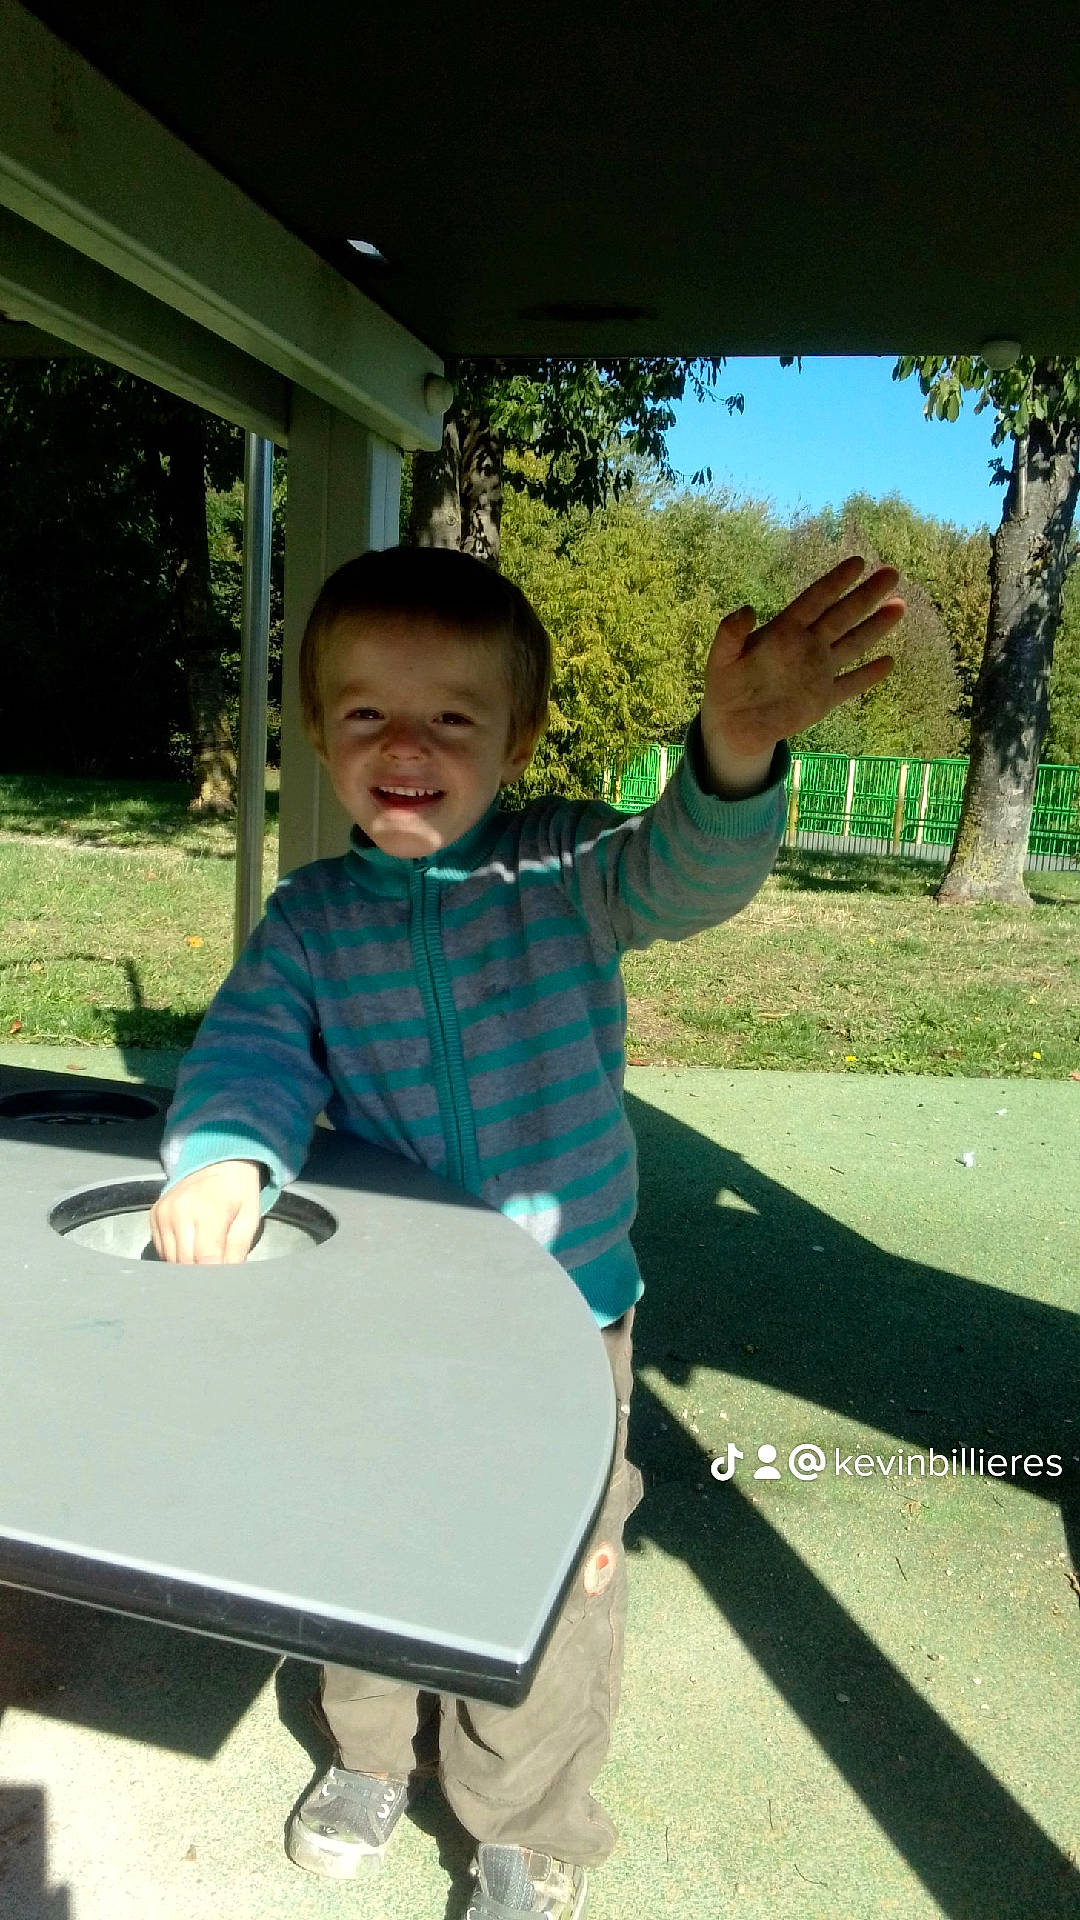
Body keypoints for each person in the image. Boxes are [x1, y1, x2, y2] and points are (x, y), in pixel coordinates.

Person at [149, 543, 902, 1919]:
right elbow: (253, 1052)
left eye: (453, 716)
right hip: (375, 1314)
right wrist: (227, 1157)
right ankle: (373, 1756)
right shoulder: (313, 921)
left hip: (565, 1320)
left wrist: (729, 751)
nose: (408, 746)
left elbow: (683, 875)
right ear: (318, 732)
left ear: (520, 733)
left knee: (558, 1575)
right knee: (365, 1540)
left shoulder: (566, 869)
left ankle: (524, 1816)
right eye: (367, 712)